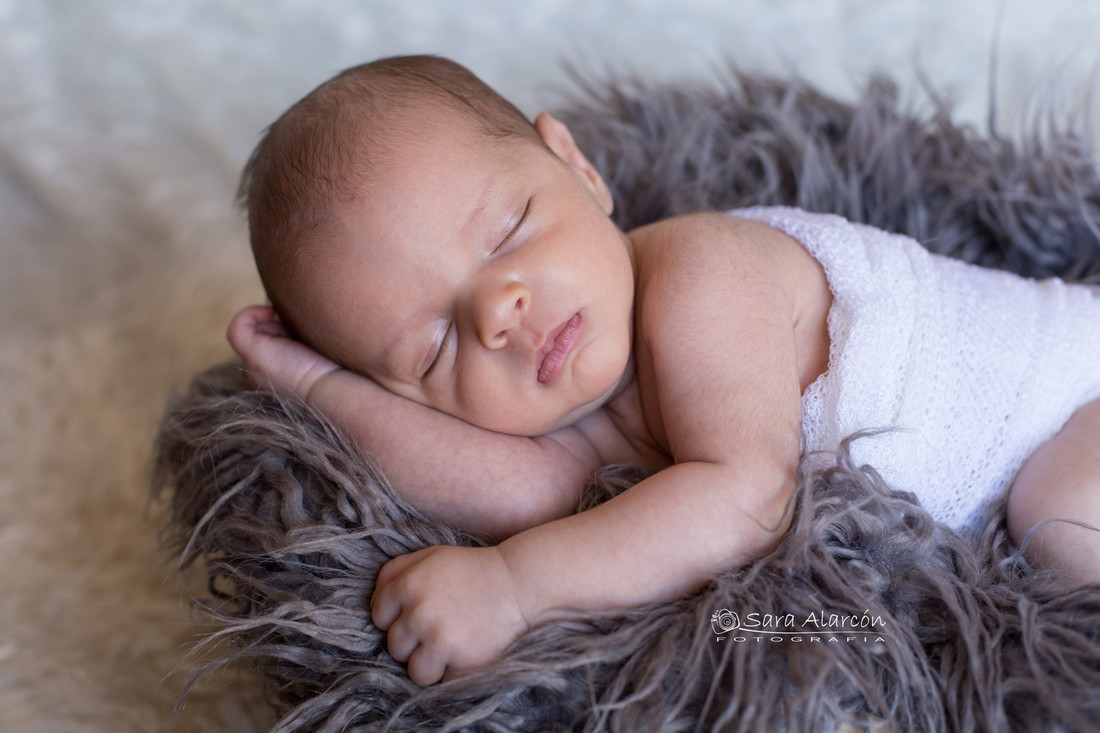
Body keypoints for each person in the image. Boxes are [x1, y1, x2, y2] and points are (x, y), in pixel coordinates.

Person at [227, 54, 1100, 686]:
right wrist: (317, 388)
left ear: (578, 166)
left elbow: (749, 499)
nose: (500, 312)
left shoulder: (701, 276)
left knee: (1062, 521)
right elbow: (506, 492)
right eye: (433, 346)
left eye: (507, 234)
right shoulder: (576, 423)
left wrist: (517, 586)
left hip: (1075, 404)